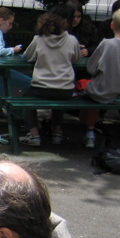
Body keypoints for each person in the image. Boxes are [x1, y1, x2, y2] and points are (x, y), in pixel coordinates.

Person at [79, 7, 120, 148]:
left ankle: (89, 131)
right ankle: (90, 129)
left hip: (102, 94)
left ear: (112, 25)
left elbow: (91, 68)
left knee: (85, 87)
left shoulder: (106, 44)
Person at [19, 11, 80, 147]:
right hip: (66, 89)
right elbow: (76, 58)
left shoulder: (38, 39)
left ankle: (34, 135)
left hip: (42, 88)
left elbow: (28, 56)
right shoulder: (72, 40)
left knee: (27, 98)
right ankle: (57, 133)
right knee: (59, 100)